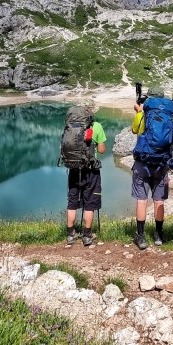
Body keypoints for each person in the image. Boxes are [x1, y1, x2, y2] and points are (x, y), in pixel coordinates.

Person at [131, 87, 170, 249]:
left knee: (142, 200)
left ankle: (141, 237)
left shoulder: (143, 114)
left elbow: (135, 130)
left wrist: (139, 112)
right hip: (161, 162)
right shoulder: (168, 114)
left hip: (143, 163)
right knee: (158, 200)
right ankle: (159, 235)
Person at [66, 100, 106, 247]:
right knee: (90, 203)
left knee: (72, 201)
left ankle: (70, 234)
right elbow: (101, 150)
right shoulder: (96, 126)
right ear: (92, 112)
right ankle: (87, 235)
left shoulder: (71, 126)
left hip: (73, 168)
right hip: (91, 170)